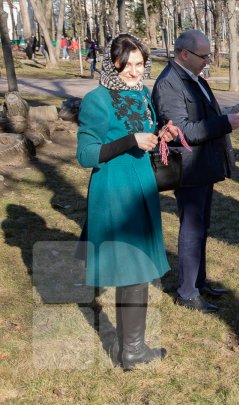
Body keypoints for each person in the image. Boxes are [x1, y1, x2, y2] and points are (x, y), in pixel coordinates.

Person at [76, 33, 176, 370]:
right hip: (114, 190)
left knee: (140, 268)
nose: (134, 71)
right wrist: (129, 140)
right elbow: (86, 154)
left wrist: (161, 134)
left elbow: (145, 131)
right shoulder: (97, 100)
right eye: (127, 65)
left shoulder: (141, 93)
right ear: (112, 63)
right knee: (134, 268)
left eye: (139, 64)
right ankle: (132, 352)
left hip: (141, 188)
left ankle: (131, 349)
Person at [152, 29, 239, 313]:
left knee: (201, 228)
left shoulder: (194, 78)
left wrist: (236, 110)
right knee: (191, 230)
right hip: (188, 169)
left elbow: (209, 115)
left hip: (203, 166)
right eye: (204, 55)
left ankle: (198, 281)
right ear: (184, 54)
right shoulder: (169, 84)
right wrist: (227, 123)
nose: (208, 60)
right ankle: (187, 292)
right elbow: (181, 132)